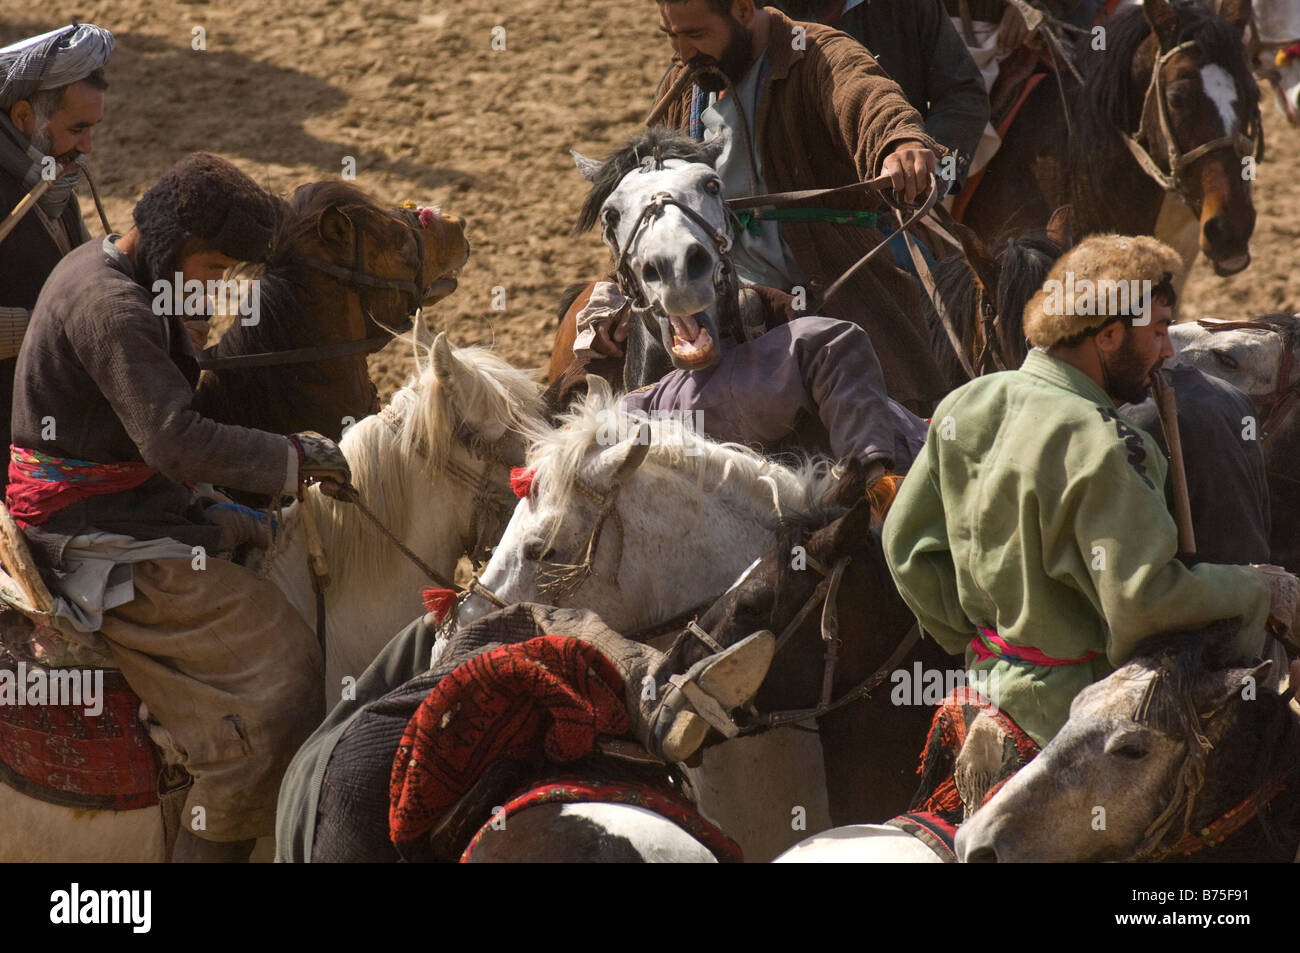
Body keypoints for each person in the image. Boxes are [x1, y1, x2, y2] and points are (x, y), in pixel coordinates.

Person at [8, 153, 352, 862]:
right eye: (214, 272)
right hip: (92, 533)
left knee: (262, 535)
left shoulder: (123, 276)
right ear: (171, 248)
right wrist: (294, 457)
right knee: (283, 681)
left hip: (138, 501)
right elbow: (174, 438)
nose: (217, 294)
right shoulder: (114, 307)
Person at [882, 234, 1300, 748]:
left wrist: (986, 640)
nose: (1168, 352)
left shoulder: (965, 403)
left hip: (985, 694)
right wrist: (1259, 589)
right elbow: (1143, 603)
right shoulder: (1107, 443)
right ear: (1106, 336)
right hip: (1079, 726)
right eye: (1158, 332)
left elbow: (904, 547)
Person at [644, 0, 950, 414]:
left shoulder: (816, 51)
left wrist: (900, 143)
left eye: (696, 35)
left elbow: (866, 95)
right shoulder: (685, 84)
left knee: (894, 422)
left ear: (743, 11)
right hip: (708, 292)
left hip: (820, 282)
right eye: (672, 37)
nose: (682, 53)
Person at [0, 23, 114, 486]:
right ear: (25, 116)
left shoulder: (50, 178)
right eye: (77, 129)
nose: (87, 146)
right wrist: (52, 328)